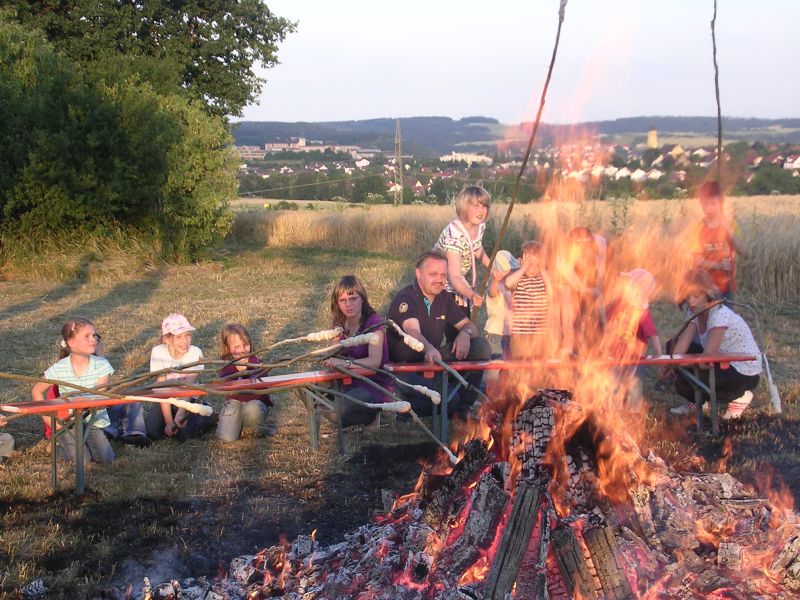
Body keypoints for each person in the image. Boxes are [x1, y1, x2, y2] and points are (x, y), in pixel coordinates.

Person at [387, 251, 491, 415]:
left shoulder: (444, 298)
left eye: (443, 275)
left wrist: (465, 333)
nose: (439, 280)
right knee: (449, 400)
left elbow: (470, 326)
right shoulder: (406, 298)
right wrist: (428, 349)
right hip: (405, 368)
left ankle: (463, 408)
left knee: (481, 346)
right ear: (419, 273)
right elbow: (412, 331)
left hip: (433, 361)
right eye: (433, 274)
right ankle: (400, 399)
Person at [669, 269, 762, 419]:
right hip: (718, 358)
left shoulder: (719, 314)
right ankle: (697, 400)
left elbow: (707, 358)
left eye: (696, 296)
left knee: (699, 379)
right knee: (671, 350)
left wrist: (688, 366)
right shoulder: (693, 311)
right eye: (687, 296)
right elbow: (681, 348)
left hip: (742, 370)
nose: (691, 301)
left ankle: (741, 397)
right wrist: (671, 363)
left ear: (707, 294)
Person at [31, 318, 115, 464]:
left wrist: (84, 401)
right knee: (83, 462)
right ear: (71, 342)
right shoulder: (59, 368)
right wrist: (50, 421)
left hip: (93, 420)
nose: (93, 340)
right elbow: (37, 391)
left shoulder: (102, 365)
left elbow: (100, 395)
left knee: (106, 459)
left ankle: (83, 442)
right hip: (67, 422)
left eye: (94, 335)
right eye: (86, 336)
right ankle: (57, 447)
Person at [322, 275, 393, 426]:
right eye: (342, 300)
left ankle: (370, 416)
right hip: (346, 381)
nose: (348, 304)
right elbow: (333, 353)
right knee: (316, 400)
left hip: (372, 383)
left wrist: (346, 363)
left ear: (362, 299)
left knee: (340, 408)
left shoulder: (374, 323)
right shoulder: (339, 323)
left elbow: (374, 362)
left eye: (353, 299)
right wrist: (330, 359)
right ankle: (349, 416)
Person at [603, 268, 663, 411]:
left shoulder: (641, 311)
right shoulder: (617, 303)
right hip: (615, 356)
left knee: (633, 385)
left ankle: (632, 412)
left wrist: (660, 358)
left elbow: (652, 335)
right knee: (615, 385)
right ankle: (615, 411)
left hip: (634, 358)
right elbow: (608, 328)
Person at [146, 313, 210, 440]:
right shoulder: (158, 352)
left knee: (183, 435)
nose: (185, 341)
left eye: (187, 335)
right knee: (152, 432)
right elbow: (162, 388)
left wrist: (179, 416)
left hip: (188, 399)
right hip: (166, 399)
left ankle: (207, 415)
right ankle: (168, 420)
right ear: (167, 339)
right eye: (178, 337)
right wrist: (170, 421)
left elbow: (189, 388)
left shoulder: (195, 353)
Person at [433, 185, 492, 313]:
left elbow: (476, 247)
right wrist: (470, 294)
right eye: (475, 206)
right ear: (464, 207)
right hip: (441, 281)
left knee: (465, 319)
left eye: (484, 206)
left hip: (458, 278)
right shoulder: (454, 235)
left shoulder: (480, 226)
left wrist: (492, 268)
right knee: (454, 321)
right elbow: (454, 276)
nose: (481, 211)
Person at [215, 323, 276, 441]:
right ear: (227, 349)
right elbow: (225, 384)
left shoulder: (257, 363)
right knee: (226, 438)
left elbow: (261, 386)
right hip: (234, 402)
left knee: (251, 410)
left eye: (245, 345)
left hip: (255, 402)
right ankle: (235, 422)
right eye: (237, 347)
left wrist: (249, 374)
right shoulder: (227, 367)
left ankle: (259, 427)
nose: (242, 350)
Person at [690, 181, 747, 300]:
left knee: (725, 318)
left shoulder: (730, 225)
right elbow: (697, 261)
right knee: (707, 318)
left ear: (721, 203)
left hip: (726, 288)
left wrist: (728, 230)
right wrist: (718, 265)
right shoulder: (698, 229)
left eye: (713, 204)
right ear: (701, 204)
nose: (709, 209)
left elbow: (743, 251)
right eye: (705, 204)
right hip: (704, 289)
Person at [556, 226, 608, 355]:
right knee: (571, 310)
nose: (584, 249)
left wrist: (598, 289)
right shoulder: (563, 254)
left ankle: (601, 343)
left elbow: (601, 268)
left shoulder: (599, 244)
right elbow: (572, 278)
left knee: (598, 309)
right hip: (570, 283)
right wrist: (584, 289)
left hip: (591, 278)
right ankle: (570, 345)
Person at [504, 241, 554, 360]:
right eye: (529, 264)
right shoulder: (519, 279)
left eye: (537, 265)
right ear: (521, 262)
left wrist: (542, 269)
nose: (533, 268)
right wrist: (523, 269)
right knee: (521, 363)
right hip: (521, 332)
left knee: (538, 364)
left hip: (540, 332)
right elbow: (508, 283)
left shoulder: (542, 279)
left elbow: (552, 292)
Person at [485, 250, 518, 360]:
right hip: (496, 333)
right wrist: (496, 279)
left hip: (511, 334)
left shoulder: (514, 286)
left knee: (508, 367)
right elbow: (492, 293)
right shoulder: (496, 286)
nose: (511, 273)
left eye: (513, 270)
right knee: (495, 366)